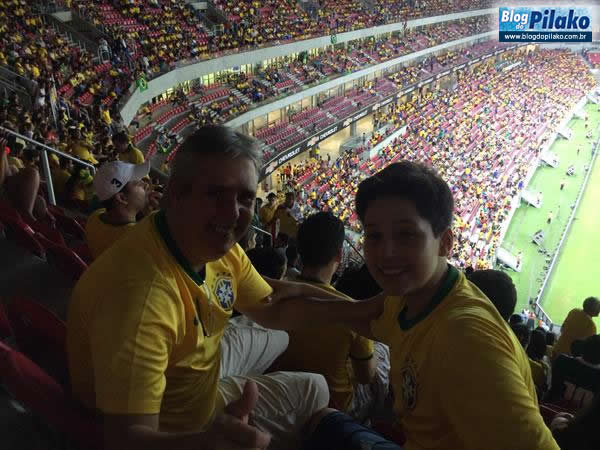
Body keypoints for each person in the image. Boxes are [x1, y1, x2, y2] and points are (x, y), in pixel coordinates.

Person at [68, 126, 343, 450]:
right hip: (183, 423)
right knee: (316, 388)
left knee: (279, 334)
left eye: (244, 198)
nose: (232, 213)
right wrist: (204, 443)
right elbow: (124, 440)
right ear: (175, 194)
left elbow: (273, 306)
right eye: (214, 194)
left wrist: (355, 311)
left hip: (189, 367)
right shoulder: (140, 299)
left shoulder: (186, 236)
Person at [295, 161, 558, 449]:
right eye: (374, 235)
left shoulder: (469, 341)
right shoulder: (408, 295)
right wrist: (286, 291)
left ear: (445, 242)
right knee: (322, 419)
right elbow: (360, 315)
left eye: (406, 235)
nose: (386, 253)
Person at [271, 212, 378, 417]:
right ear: (339, 255)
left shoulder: (274, 293)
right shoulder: (353, 313)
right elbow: (366, 376)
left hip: (277, 398)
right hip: (330, 411)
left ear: (299, 249)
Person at [85, 160, 161, 259]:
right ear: (122, 198)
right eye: (138, 183)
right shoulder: (137, 238)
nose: (146, 185)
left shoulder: (95, 216)